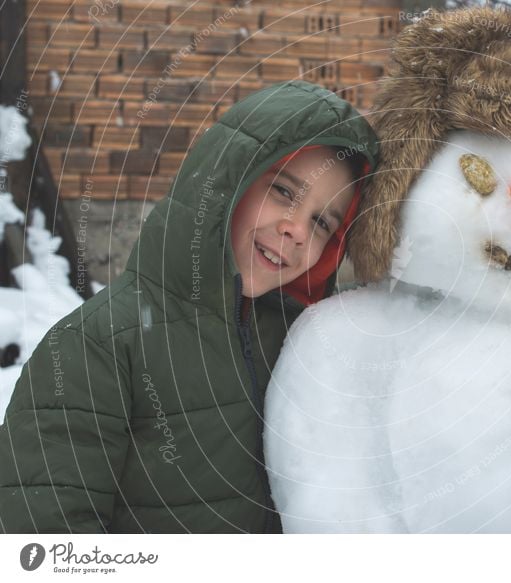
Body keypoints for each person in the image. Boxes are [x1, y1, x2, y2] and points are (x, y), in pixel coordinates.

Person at [0, 80, 379, 533]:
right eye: (283, 191)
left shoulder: (305, 345)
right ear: (225, 183)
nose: (296, 228)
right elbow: (46, 542)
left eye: (322, 222)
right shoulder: (96, 347)